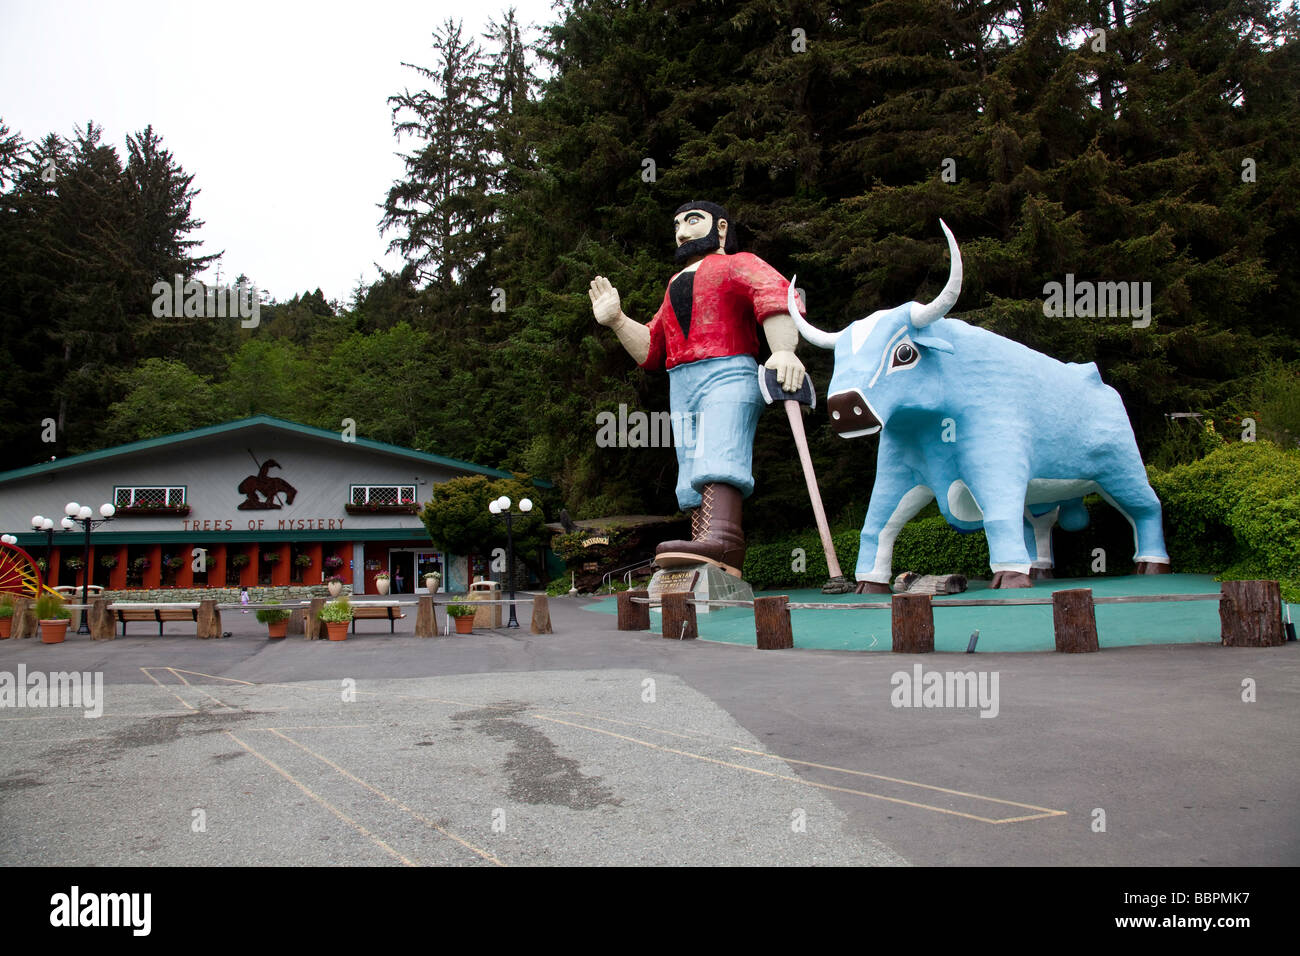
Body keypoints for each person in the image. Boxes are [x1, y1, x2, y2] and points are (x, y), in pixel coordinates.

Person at [589, 200, 806, 575]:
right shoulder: (674, 284)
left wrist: (784, 350)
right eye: (677, 223)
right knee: (690, 463)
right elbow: (654, 348)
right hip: (682, 380)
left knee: (720, 447)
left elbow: (774, 295)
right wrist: (618, 321)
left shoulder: (739, 263)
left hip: (728, 369)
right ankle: (703, 543)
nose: (682, 231)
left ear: (721, 228)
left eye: (693, 221)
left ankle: (724, 541)